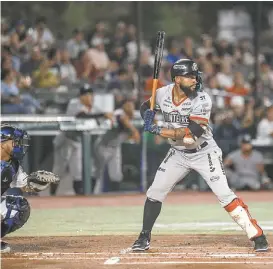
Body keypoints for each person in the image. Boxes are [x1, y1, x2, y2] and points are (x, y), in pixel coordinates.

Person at [131, 58, 269, 252]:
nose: (195, 80)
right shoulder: (162, 93)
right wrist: (146, 114)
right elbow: (146, 106)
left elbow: (190, 134)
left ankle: (257, 235)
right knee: (155, 192)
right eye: (190, 77)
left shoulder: (202, 99)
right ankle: (143, 237)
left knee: (224, 195)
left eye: (196, 76)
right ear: (177, 79)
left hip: (204, 151)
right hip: (178, 153)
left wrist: (157, 129)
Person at [1, 124, 57, 253]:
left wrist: (38, 183)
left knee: (19, 207)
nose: (19, 145)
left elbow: (26, 185)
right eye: (15, 142)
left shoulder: (12, 164)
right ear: (2, 143)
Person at [52, 84, 112, 195]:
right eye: (85, 95)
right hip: (65, 140)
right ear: (80, 97)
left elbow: (105, 118)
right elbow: (81, 116)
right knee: (58, 171)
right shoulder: (74, 103)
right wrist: (103, 114)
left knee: (78, 172)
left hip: (78, 141)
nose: (89, 97)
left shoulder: (95, 108)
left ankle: (80, 200)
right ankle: (51, 196)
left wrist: (107, 117)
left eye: (90, 94)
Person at [93, 98, 140, 194]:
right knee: (97, 173)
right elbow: (123, 120)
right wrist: (134, 131)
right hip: (103, 145)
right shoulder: (119, 112)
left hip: (115, 147)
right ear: (123, 106)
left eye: (132, 105)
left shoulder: (135, 115)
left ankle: (115, 197)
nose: (130, 107)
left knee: (116, 175)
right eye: (127, 105)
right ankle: (90, 195)